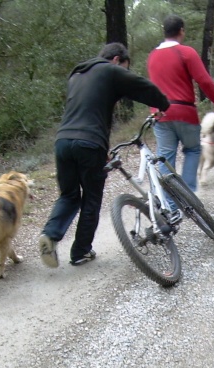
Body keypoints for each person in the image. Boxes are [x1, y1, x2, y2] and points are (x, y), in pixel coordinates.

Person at [39, 43, 169, 268]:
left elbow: (91, 111)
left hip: (62, 141)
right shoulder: (109, 70)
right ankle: (80, 251)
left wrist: (103, 147)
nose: (124, 73)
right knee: (91, 197)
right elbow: (142, 86)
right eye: (125, 68)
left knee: (69, 195)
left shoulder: (77, 75)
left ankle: (50, 235)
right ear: (117, 60)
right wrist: (163, 103)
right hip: (89, 142)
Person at [147, 15, 214, 199]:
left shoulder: (152, 56)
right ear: (181, 31)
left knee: (166, 158)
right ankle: (187, 194)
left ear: (164, 32)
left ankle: (169, 206)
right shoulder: (186, 52)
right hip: (184, 112)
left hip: (160, 115)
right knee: (193, 149)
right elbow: (205, 81)